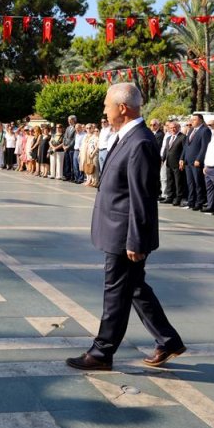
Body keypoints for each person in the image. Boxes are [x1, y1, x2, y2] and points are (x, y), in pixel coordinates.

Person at [67, 83, 185, 371]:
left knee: (116, 292)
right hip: (119, 229)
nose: (104, 110)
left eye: (107, 105)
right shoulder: (127, 137)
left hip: (125, 235)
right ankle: (168, 340)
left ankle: (101, 352)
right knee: (134, 288)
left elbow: (142, 196)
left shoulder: (140, 141)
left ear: (122, 108)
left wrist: (136, 240)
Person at [180, 113, 211, 211]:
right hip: (188, 162)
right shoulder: (191, 130)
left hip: (196, 162)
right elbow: (186, 146)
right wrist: (182, 158)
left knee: (198, 183)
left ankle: (199, 202)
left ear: (201, 120)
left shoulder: (205, 130)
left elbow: (204, 147)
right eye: (191, 119)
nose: (192, 121)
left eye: (194, 119)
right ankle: (191, 201)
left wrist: (199, 159)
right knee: (190, 183)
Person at [161, 122, 187, 206]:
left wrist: (182, 159)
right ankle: (170, 197)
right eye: (171, 128)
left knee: (178, 182)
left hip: (177, 163)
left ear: (178, 127)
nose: (173, 129)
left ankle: (178, 198)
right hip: (169, 163)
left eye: (175, 127)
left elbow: (184, 150)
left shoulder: (182, 137)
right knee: (170, 181)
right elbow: (166, 150)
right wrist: (162, 159)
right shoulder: (168, 138)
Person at [62, 115, 77, 181]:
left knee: (72, 163)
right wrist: (64, 146)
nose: (69, 121)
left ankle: (72, 176)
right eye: (68, 120)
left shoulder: (75, 128)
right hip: (66, 148)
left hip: (71, 148)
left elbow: (74, 139)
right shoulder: (68, 128)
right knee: (67, 162)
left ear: (73, 120)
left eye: (70, 120)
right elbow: (65, 137)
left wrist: (68, 146)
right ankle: (67, 176)